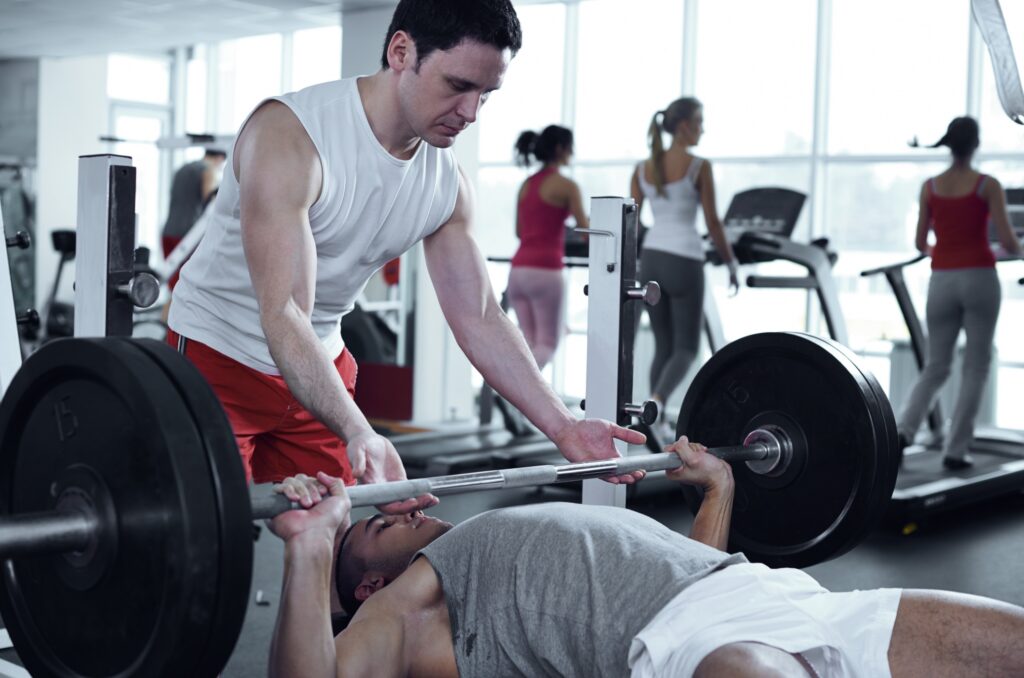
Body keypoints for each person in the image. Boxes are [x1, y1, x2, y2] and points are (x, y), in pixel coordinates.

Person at [166, 0, 643, 510]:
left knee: (327, 545)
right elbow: (284, 312)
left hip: (317, 370)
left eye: (486, 94)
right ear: (401, 52)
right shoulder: (292, 136)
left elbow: (479, 315)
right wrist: (358, 428)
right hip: (219, 360)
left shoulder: (445, 182)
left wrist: (564, 426)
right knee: (211, 550)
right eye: (458, 86)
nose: (470, 113)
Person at [266, 438, 1024, 678]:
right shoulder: (411, 608)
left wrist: (717, 489)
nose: (401, 504)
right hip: (689, 646)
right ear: (368, 578)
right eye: (372, 526)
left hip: (777, 597)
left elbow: (686, 577)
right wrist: (313, 543)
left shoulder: (467, 545)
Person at [898, 116, 1023, 469]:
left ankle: (904, 431)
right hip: (980, 277)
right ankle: (956, 449)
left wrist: (946, 253)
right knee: (975, 366)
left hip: (942, 280)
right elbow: (1010, 242)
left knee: (935, 366)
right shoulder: (987, 185)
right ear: (976, 144)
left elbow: (921, 242)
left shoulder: (930, 187)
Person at [630, 97, 740, 437]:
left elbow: (632, 222)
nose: (702, 128)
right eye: (699, 121)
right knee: (687, 348)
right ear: (683, 125)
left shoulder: (643, 168)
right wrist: (732, 263)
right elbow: (714, 222)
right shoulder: (698, 166)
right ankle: (658, 402)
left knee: (664, 345)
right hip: (685, 258)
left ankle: (654, 419)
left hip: (651, 258)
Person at [507, 125, 588, 370]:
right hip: (545, 271)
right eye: (570, 147)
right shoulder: (566, 186)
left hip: (518, 271)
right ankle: (519, 397)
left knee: (529, 344)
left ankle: (519, 405)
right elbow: (586, 233)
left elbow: (520, 232)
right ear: (560, 148)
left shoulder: (526, 184)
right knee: (548, 345)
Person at [161, 148, 226, 263]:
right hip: (188, 235)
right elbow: (210, 199)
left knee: (172, 278)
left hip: (168, 231)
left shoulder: (182, 169)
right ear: (220, 158)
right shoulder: (208, 170)